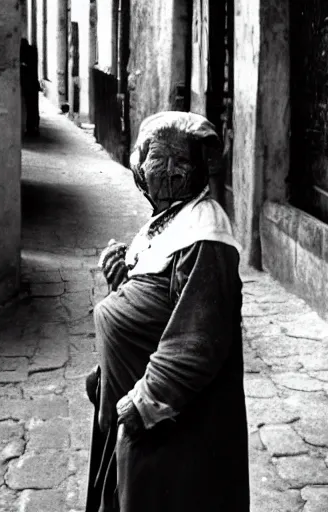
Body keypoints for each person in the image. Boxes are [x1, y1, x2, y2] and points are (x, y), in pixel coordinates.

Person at [85, 111, 249, 512]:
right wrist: (123, 282)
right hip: (144, 417)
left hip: (169, 429)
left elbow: (197, 342)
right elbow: (158, 304)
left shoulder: (205, 236)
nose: (167, 171)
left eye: (180, 162)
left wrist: (139, 405)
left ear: (196, 170)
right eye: (157, 158)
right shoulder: (171, 218)